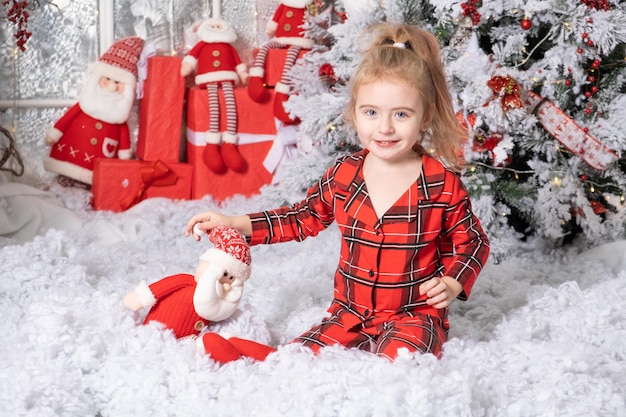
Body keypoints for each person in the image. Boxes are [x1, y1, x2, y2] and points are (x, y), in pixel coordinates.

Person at [185, 22, 490, 360]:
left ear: (425, 116)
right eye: (371, 113)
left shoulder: (440, 182)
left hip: (414, 312)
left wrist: (452, 282)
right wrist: (236, 222)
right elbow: (303, 217)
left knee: (402, 360)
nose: (385, 127)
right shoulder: (344, 174)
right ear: (355, 114)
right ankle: (262, 358)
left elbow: (473, 242)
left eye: (401, 114)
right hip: (350, 312)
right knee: (303, 355)